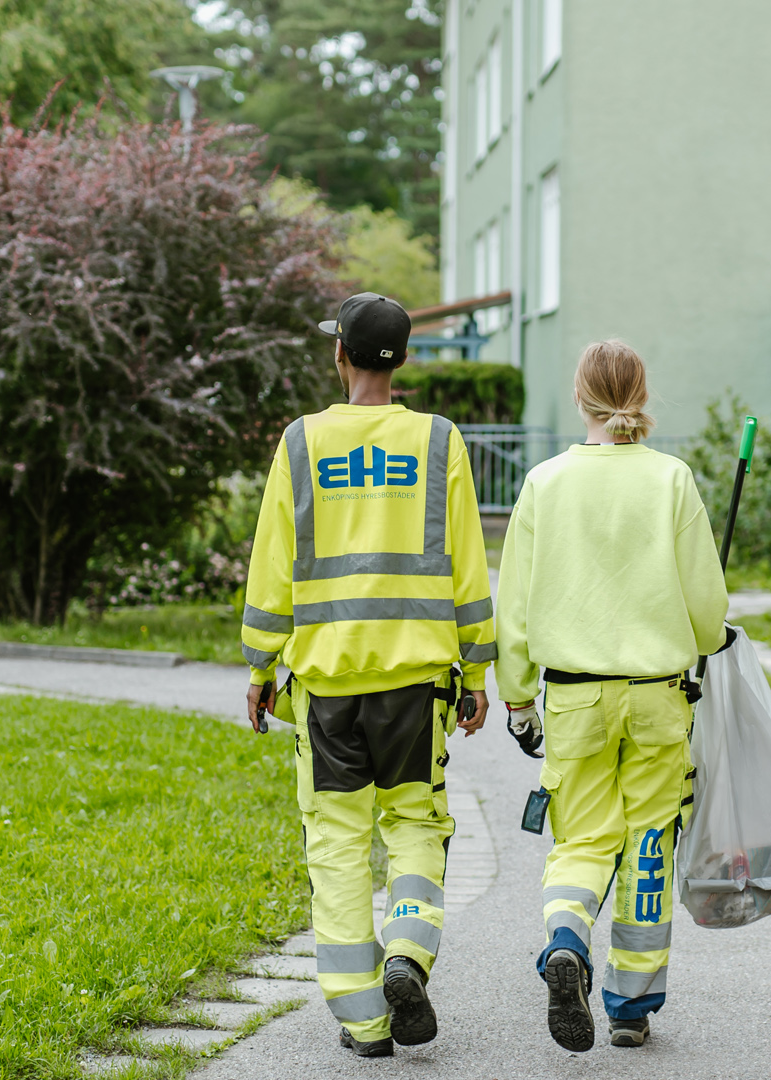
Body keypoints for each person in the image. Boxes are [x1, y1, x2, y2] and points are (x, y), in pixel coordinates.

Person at [239, 292, 495, 1058]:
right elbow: (467, 562)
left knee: (338, 846)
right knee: (416, 827)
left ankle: (364, 1022)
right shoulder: (439, 441)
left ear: (339, 355)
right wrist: (477, 668)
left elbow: (272, 561)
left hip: (326, 690)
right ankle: (407, 957)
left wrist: (260, 665)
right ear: (404, 360)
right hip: (416, 685)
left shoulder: (301, 443)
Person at [495, 339, 729, 1052]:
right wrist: (706, 637)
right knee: (649, 842)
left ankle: (566, 937)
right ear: (640, 392)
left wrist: (516, 699)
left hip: (574, 698)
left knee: (582, 839)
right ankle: (631, 1002)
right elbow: (706, 608)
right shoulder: (671, 479)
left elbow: (516, 606)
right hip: (658, 696)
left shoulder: (545, 482)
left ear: (579, 396)